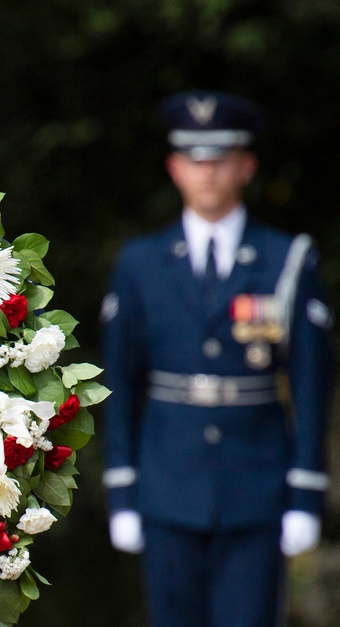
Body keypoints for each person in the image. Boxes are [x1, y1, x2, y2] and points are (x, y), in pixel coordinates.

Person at [100, 90, 335, 627]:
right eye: (195, 160)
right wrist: (122, 488)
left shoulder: (287, 259)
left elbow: (312, 382)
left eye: (221, 160)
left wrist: (305, 491)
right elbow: (119, 385)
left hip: (256, 484)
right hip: (167, 483)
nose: (207, 173)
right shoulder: (141, 265)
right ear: (174, 168)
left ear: (246, 167)